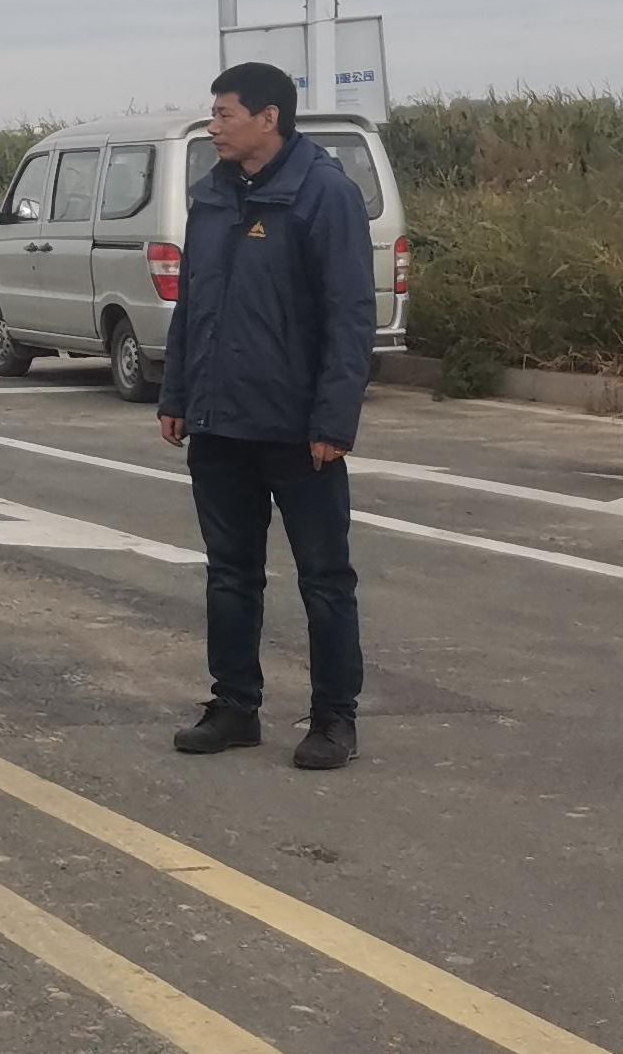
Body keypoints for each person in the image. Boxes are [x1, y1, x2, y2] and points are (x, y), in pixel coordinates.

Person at [159, 60, 373, 772]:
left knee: (322, 576)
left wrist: (331, 421)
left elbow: (349, 316)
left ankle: (333, 718)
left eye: (223, 114)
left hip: (295, 428)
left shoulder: (322, 195)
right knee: (228, 572)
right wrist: (177, 396)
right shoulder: (212, 195)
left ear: (268, 118)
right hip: (219, 422)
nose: (213, 127)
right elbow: (193, 302)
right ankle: (234, 706)